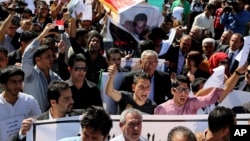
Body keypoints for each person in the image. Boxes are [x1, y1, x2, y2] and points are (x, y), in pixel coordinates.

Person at [18, 81, 85, 141]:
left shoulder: (82, 116)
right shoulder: (37, 122)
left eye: (71, 97)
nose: (72, 101)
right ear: (53, 102)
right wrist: (23, 133)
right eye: (67, 99)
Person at [21, 23, 62, 112]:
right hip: (32, 120)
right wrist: (42, 34)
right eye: (48, 57)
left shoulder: (55, 77)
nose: (52, 59)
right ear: (38, 59)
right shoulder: (29, 74)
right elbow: (27, 56)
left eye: (52, 56)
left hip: (49, 121)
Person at [0, 66, 41, 141]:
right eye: (13, 82)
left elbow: (40, 125)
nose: (18, 85)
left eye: (20, 81)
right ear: (4, 84)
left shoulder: (30, 101)